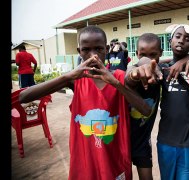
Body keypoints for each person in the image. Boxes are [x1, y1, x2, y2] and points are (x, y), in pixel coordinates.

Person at [18, 25, 153, 180]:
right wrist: (68, 77)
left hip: (115, 161)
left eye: (99, 49)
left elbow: (146, 110)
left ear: (107, 49)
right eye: (86, 50)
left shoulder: (119, 77)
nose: (93, 55)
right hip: (85, 163)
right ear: (79, 51)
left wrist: (115, 83)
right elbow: (23, 97)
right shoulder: (75, 80)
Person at [156, 24, 189, 179]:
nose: (181, 40)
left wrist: (184, 60)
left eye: (187, 38)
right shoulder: (162, 69)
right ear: (170, 41)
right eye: (177, 36)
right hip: (166, 140)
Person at [125, 33, 163, 180]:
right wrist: (145, 62)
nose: (148, 59)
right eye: (143, 55)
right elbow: (129, 75)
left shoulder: (160, 72)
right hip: (122, 139)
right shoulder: (133, 71)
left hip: (142, 141)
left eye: (153, 55)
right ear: (136, 54)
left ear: (160, 53)